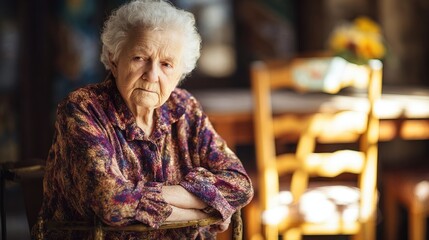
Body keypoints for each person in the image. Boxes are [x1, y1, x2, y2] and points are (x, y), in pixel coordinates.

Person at [34, 0, 253, 239]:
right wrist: (208, 208)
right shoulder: (83, 109)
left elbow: (240, 185)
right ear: (114, 59)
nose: (152, 75)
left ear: (180, 74)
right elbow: (112, 202)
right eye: (139, 58)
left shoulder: (185, 107)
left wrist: (151, 199)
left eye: (167, 64)